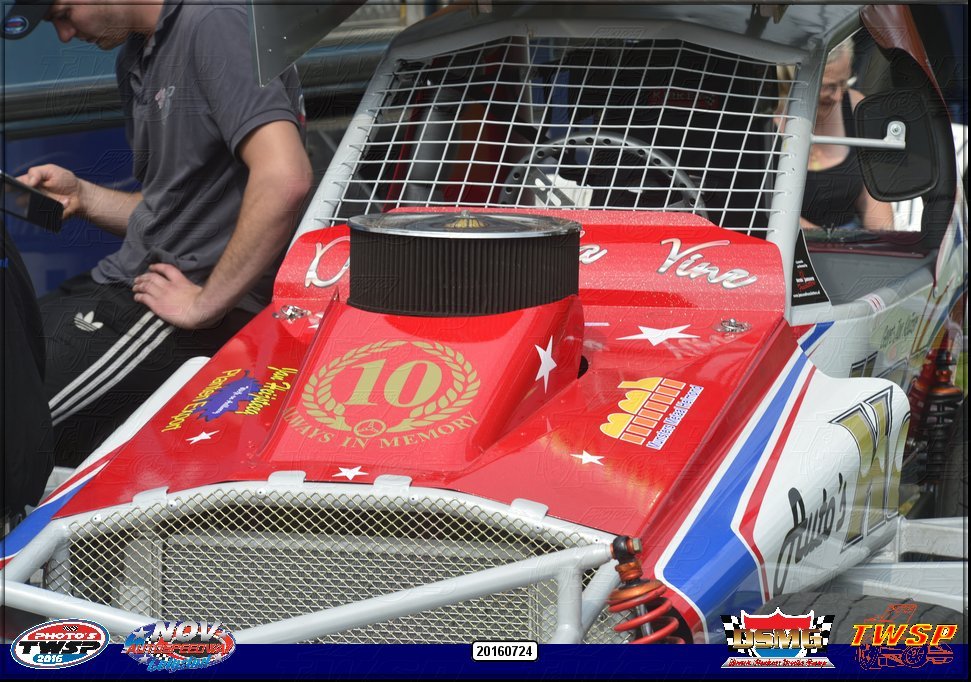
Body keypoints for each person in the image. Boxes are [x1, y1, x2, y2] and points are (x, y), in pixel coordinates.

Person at [2, 0, 313, 466]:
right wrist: (83, 196)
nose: (64, 35)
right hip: (124, 287)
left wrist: (204, 304)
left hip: (173, 311)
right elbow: (170, 210)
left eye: (63, 14)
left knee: (12, 427)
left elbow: (285, 178)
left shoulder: (214, 22)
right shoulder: (134, 55)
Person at [800, 38, 894, 231]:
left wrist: (885, 239)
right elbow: (762, 211)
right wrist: (826, 242)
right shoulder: (765, 120)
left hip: (848, 237)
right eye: (829, 86)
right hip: (787, 242)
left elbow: (873, 200)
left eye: (845, 83)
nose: (838, 96)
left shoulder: (857, 108)